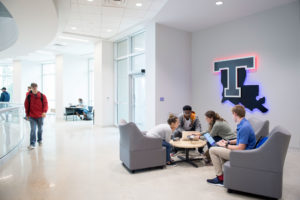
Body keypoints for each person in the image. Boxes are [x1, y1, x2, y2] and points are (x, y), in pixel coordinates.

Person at [207, 105, 256, 185]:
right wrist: (227, 142)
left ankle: (220, 179)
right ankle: (226, 175)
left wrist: (225, 146)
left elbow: (241, 148)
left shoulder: (244, 127)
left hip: (242, 155)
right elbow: (239, 140)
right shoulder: (244, 123)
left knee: (212, 150)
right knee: (218, 148)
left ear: (235, 114)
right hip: (243, 152)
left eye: (232, 114)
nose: (232, 116)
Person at [24, 83, 48, 150]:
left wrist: (44, 111)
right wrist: (27, 115)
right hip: (32, 116)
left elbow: (45, 104)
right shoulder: (28, 96)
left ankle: (39, 140)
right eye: (33, 87)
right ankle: (32, 144)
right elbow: (26, 106)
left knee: (40, 129)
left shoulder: (42, 96)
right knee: (33, 130)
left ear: (37, 87)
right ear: (31, 87)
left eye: (35, 86)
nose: (34, 88)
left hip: (40, 116)